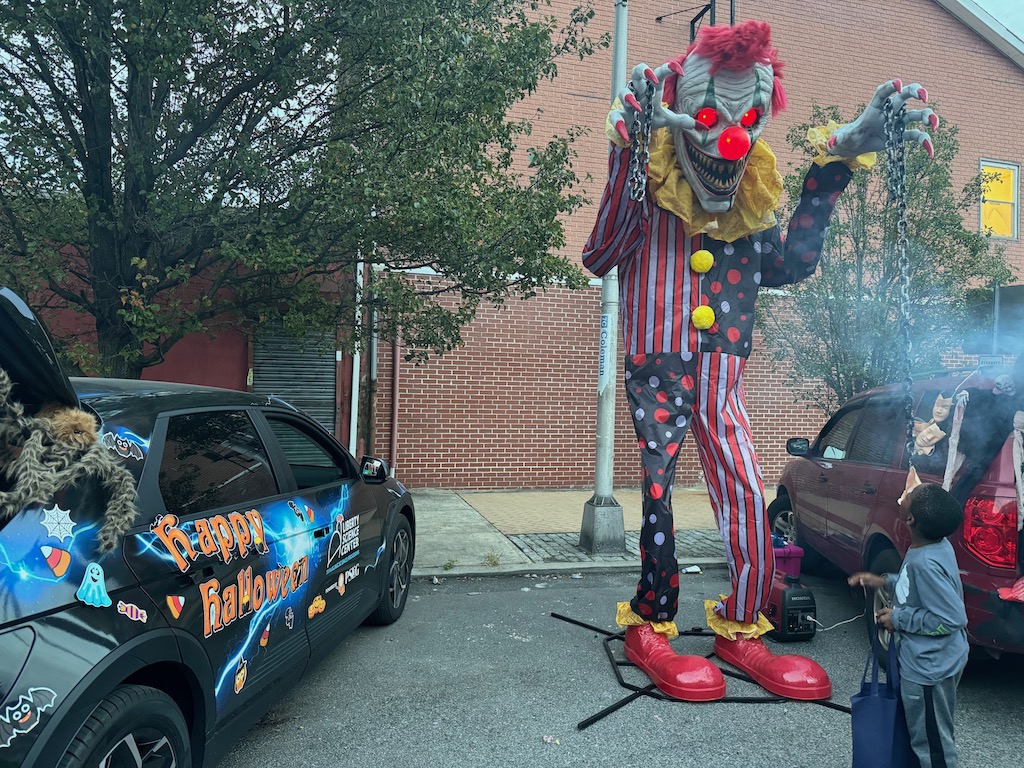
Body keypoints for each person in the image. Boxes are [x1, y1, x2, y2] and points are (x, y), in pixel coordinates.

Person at [581, 19, 937, 701]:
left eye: (746, 119)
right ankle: (652, 616)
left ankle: (741, 625)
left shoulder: (750, 198)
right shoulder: (652, 184)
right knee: (660, 487)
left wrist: (835, 163)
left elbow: (793, 263)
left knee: (745, 486)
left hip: (724, 366)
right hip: (658, 359)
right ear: (680, 111)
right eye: (711, 116)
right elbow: (600, 253)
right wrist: (626, 159)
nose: (729, 140)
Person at [848, 471, 968, 768]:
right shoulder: (931, 546)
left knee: (932, 742)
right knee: (920, 732)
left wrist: (899, 618)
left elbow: (951, 618)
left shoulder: (927, 562)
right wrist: (883, 581)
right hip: (927, 661)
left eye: (910, 495)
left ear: (910, 519)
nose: (906, 492)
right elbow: (913, 586)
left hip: (930, 669)